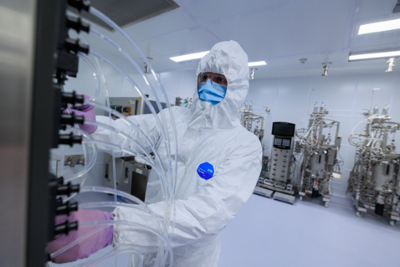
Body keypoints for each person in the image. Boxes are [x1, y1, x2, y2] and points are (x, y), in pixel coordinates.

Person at [48, 40, 262, 266]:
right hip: (146, 250)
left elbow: (208, 214)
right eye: (204, 77)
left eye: (219, 79)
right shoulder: (175, 118)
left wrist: (114, 228)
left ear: (236, 88)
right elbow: (133, 132)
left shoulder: (244, 145)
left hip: (189, 257)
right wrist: (94, 126)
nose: (209, 84)